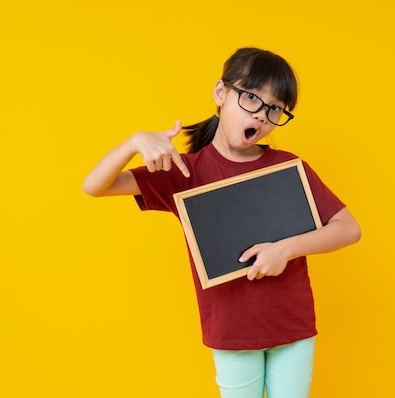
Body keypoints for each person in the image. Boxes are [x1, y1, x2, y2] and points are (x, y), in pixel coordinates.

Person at [82, 47, 361, 398]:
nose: (261, 115)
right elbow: (94, 186)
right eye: (251, 99)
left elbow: (348, 228)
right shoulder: (185, 172)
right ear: (220, 94)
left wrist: (285, 250)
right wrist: (134, 142)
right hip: (231, 332)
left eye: (275, 109)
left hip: (293, 326)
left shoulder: (288, 168)